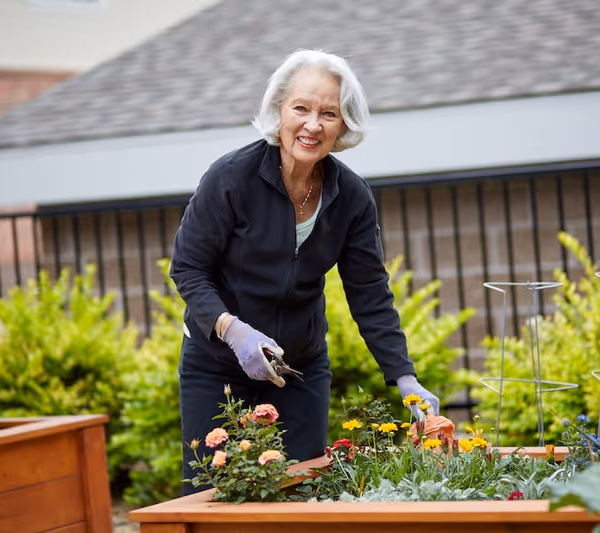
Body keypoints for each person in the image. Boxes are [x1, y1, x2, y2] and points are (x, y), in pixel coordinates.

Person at [170, 49, 440, 495]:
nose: (313, 125)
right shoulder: (231, 178)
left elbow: (370, 294)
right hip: (215, 363)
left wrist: (406, 377)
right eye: (301, 108)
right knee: (212, 495)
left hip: (299, 367)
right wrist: (234, 331)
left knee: (303, 492)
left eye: (328, 113)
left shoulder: (351, 196)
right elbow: (189, 269)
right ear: (279, 111)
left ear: (343, 124)